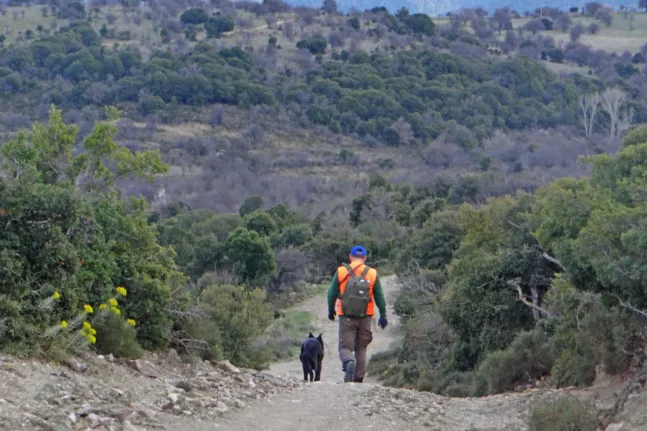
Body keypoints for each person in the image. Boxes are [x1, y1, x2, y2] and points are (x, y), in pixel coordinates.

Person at [327, 245, 387, 383]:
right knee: (361, 347)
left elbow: (331, 293)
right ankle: (358, 378)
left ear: (350, 256)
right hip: (365, 316)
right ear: (364, 258)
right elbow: (379, 296)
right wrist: (383, 315)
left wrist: (331, 310)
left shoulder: (341, 271)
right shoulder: (372, 273)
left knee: (345, 347)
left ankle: (348, 362)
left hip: (346, 315)